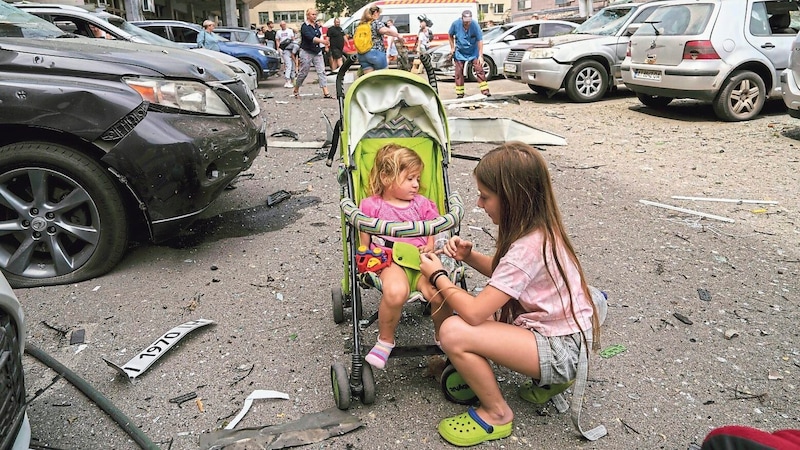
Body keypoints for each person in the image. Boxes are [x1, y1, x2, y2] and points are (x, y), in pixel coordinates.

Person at [418, 142, 603, 446]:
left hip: (560, 352)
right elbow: (508, 276)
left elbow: (475, 313)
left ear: (512, 198)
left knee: (454, 330)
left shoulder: (526, 248)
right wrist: (470, 257)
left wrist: (438, 276)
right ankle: (546, 380)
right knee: (485, 311)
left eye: (485, 196)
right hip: (570, 338)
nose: (479, 204)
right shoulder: (540, 230)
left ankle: (496, 413)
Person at [360, 144, 441, 370]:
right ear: (387, 178)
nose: (416, 184)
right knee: (396, 292)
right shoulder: (372, 206)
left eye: (417, 178)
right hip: (390, 260)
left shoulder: (423, 204)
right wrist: (364, 251)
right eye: (409, 179)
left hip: (421, 259)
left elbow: (431, 229)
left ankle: (444, 336)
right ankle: (385, 340)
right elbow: (364, 232)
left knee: (440, 292)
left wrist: (431, 245)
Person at [447, 10, 490, 98]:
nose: (467, 24)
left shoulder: (474, 25)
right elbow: (450, 35)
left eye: (469, 22)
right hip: (460, 51)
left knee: (479, 69)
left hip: (473, 51)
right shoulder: (455, 24)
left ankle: (485, 91)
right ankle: (460, 93)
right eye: (465, 22)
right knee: (458, 72)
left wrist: (480, 55)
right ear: (462, 19)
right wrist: (452, 47)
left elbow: (480, 40)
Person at [293, 8, 332, 99]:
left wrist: (324, 43)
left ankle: (326, 91)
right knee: (303, 72)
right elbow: (311, 38)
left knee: (321, 71)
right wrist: (323, 41)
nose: (314, 16)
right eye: (312, 14)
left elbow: (319, 35)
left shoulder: (316, 26)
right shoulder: (304, 26)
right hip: (306, 51)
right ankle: (296, 88)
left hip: (317, 51)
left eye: (315, 14)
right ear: (308, 15)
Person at [356, 5, 403, 74]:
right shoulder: (375, 23)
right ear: (375, 12)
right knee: (384, 77)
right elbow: (385, 31)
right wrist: (398, 35)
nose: (379, 15)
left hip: (362, 55)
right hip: (376, 53)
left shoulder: (360, 25)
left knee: (369, 79)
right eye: (379, 13)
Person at [275, 21, 296, 88]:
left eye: (284, 24)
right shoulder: (279, 32)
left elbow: (293, 39)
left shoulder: (290, 31)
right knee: (288, 65)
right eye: (282, 25)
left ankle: (292, 80)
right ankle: (287, 80)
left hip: (291, 48)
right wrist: (278, 48)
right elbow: (277, 40)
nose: (283, 25)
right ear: (280, 26)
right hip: (284, 49)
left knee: (292, 65)